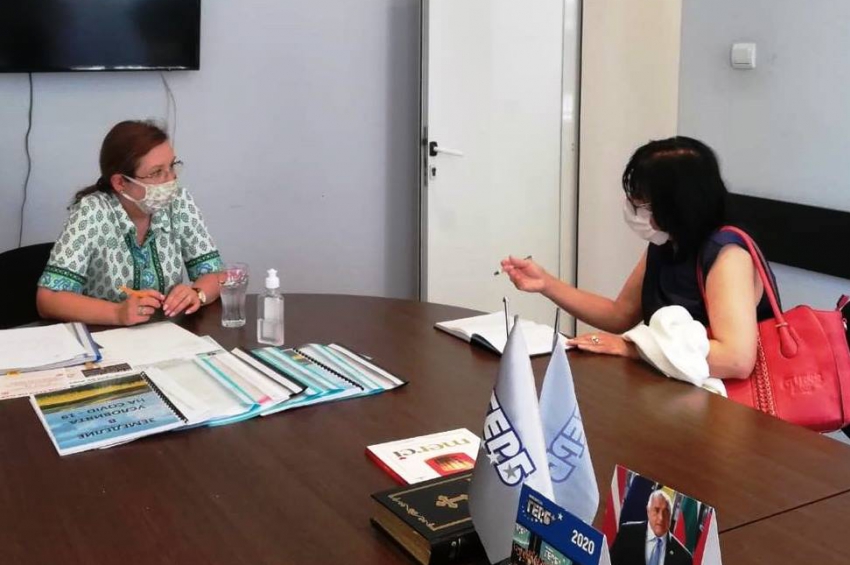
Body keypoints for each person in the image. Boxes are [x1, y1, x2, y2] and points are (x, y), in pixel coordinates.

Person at [501, 136, 776, 379]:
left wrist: (635, 349)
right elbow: (619, 315)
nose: (634, 209)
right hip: (675, 388)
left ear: (678, 205)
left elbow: (736, 360)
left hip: (729, 402)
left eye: (642, 203)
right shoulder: (667, 241)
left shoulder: (727, 254)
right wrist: (546, 283)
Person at [36, 120, 224, 326]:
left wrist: (197, 293)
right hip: (105, 335)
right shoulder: (91, 211)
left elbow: (217, 274)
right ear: (120, 183)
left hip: (166, 334)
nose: (170, 179)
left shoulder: (178, 202)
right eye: (156, 172)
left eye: (171, 166)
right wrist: (117, 313)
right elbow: (48, 299)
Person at [610, 490, 692, 565]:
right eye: (656, 510)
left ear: (671, 515)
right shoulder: (627, 534)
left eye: (666, 512)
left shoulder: (684, 557)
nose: (661, 518)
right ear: (648, 510)